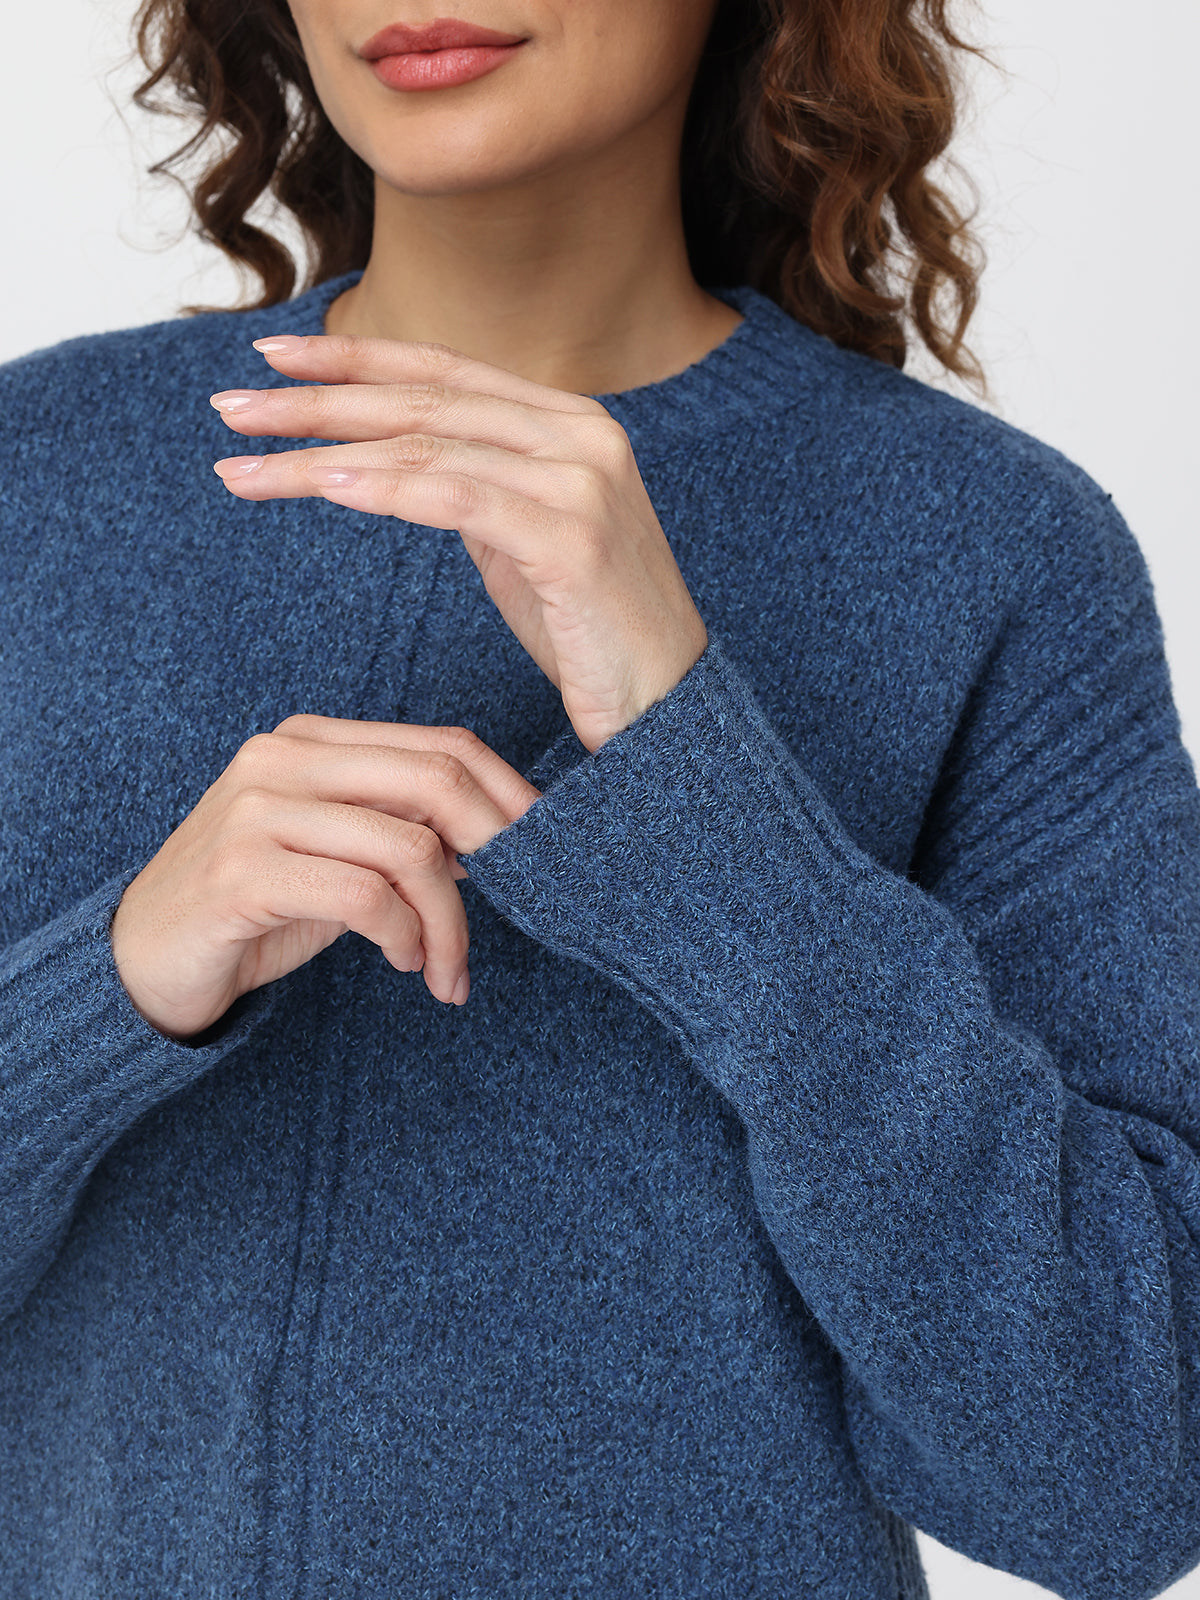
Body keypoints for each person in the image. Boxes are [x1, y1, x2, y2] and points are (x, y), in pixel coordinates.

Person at [1, 0, 1198, 1595]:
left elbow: (1118, 1480)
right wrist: (110, 990)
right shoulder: (36, 479)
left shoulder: (994, 553)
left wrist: (695, 772)